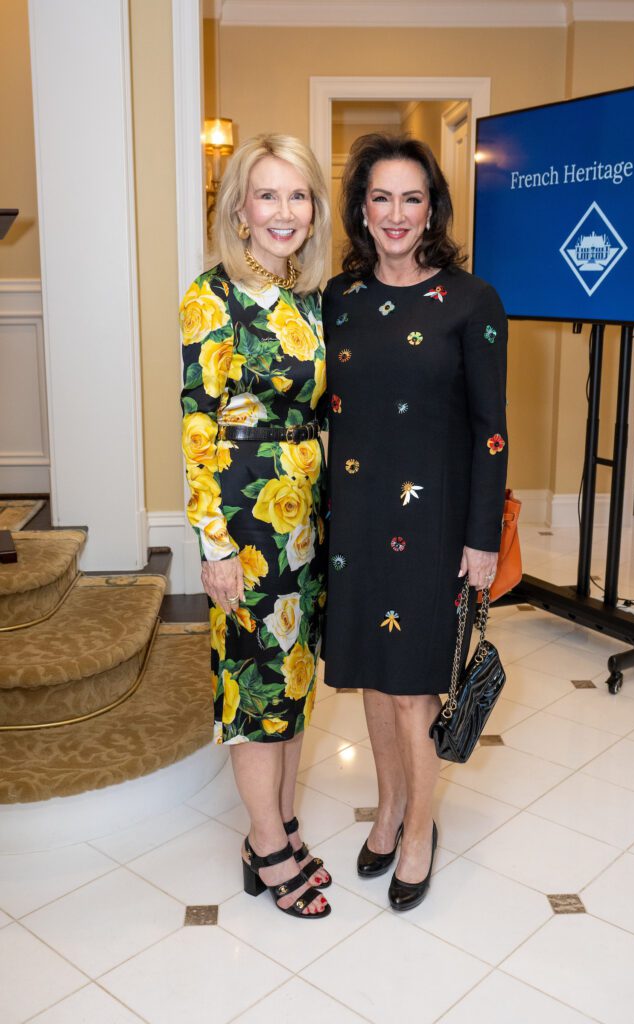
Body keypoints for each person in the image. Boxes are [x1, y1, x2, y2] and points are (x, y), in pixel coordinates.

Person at [322, 133, 508, 912]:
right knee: (369, 673)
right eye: (380, 197)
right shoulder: (338, 297)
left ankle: (422, 829)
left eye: (411, 197)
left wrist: (479, 538)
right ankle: (389, 805)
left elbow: (490, 430)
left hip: (432, 521)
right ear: (360, 209)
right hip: (355, 516)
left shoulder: (471, 300)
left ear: (431, 208)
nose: (395, 214)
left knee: (413, 690)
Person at [180, 134, 332, 919]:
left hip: (307, 519)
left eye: (297, 196)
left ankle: (281, 822)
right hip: (244, 519)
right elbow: (197, 426)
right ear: (239, 208)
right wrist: (213, 545)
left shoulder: (311, 300)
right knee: (252, 686)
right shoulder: (211, 296)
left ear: (314, 210)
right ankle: (266, 846)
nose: (283, 212)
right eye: (267, 195)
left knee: (294, 680)